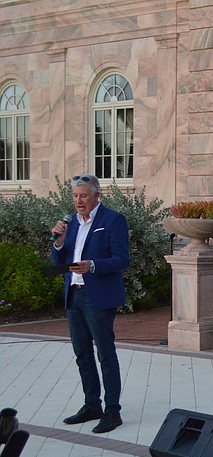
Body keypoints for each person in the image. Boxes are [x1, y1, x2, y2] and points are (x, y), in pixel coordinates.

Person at [51, 174, 130, 434]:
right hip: (73, 294)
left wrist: (93, 266)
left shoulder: (113, 220)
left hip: (98, 297)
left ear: (97, 195)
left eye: (83, 195)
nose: (78, 200)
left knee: (105, 355)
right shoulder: (70, 223)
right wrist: (58, 242)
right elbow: (59, 259)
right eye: (75, 196)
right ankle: (91, 405)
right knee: (82, 354)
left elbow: (122, 259)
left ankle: (112, 411)